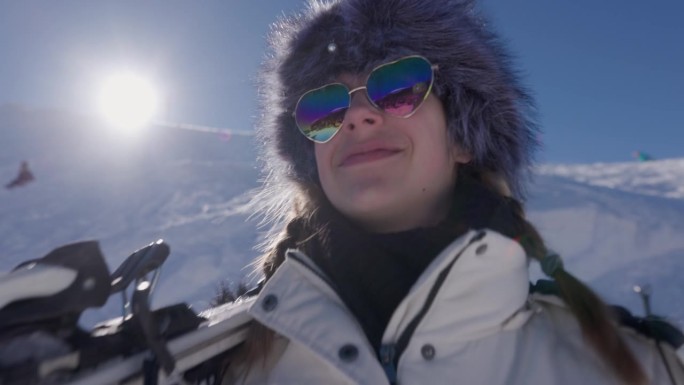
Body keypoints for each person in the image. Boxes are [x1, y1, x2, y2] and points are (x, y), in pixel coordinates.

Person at [225, 0, 684, 384]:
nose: (355, 116)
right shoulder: (218, 362)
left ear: (463, 140)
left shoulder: (644, 368)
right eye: (325, 106)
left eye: (399, 86)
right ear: (312, 157)